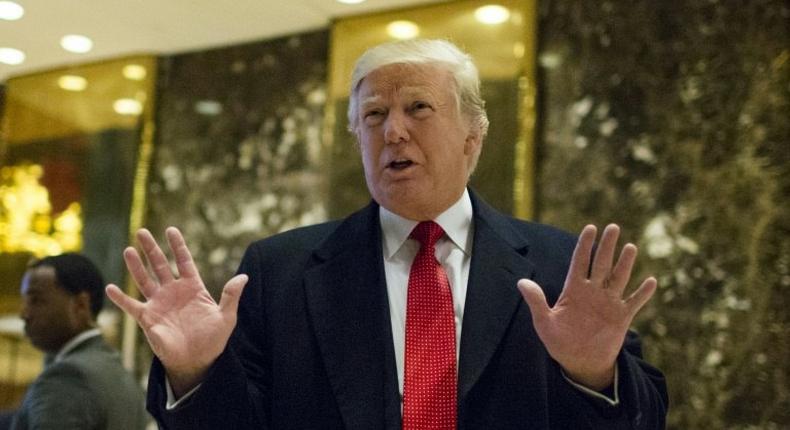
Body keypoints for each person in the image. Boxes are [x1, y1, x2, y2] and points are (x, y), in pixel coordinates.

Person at [107, 39, 668, 429]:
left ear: (473, 137)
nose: (393, 131)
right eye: (374, 116)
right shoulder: (281, 272)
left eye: (417, 108)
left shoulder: (559, 265)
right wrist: (194, 371)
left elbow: (643, 419)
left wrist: (593, 373)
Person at [12, 253, 149, 430]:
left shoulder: (67, 377)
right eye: (25, 301)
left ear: (80, 305)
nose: (24, 314)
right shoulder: (117, 370)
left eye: (36, 300)